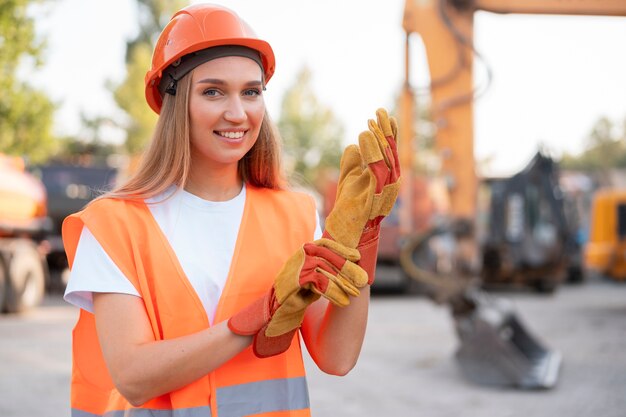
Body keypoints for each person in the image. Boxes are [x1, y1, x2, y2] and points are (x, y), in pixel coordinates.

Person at [62, 3, 400, 417]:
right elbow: (134, 377)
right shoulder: (114, 224)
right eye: (213, 91)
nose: (238, 113)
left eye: (251, 91)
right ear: (174, 102)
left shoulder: (293, 215)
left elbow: (337, 357)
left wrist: (364, 235)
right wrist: (260, 316)